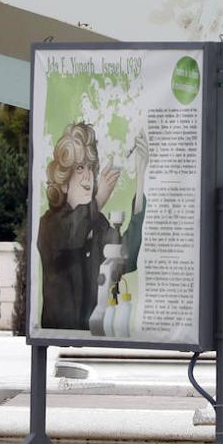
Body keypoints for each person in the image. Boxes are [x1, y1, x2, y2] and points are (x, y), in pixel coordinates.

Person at [37, 122, 147, 330]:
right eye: (79, 168)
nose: (88, 175)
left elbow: (127, 258)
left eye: (91, 167)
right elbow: (72, 233)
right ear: (63, 180)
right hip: (60, 343)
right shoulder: (49, 225)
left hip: (95, 340)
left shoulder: (99, 224)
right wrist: (99, 199)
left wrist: (140, 177)